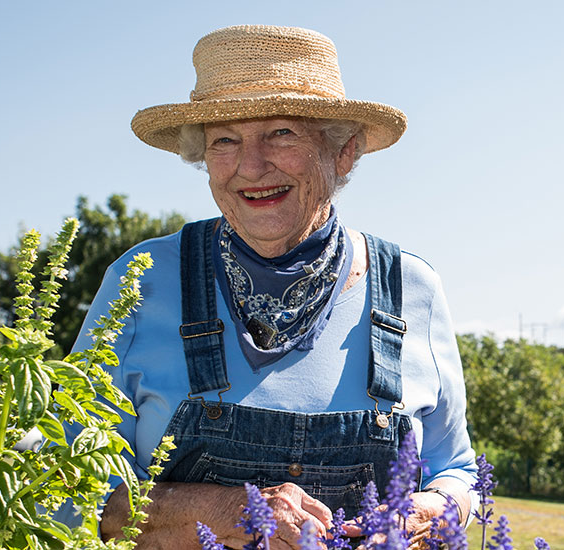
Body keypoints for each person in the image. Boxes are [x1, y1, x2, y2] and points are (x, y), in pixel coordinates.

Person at [74, 25, 478, 549]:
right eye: (225, 140)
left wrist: (425, 512)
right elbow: (60, 485)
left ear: (344, 152)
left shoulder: (410, 287)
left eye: (282, 133)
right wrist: (214, 511)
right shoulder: (142, 280)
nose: (251, 165)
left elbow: (458, 471)